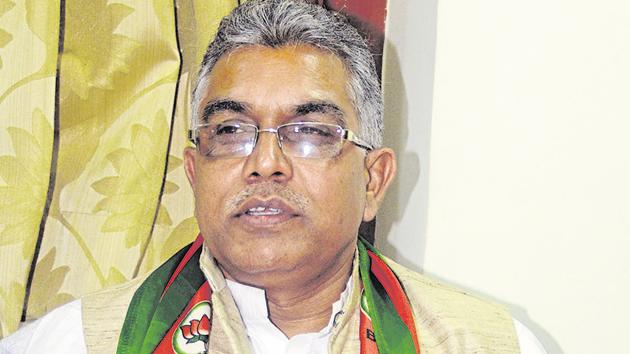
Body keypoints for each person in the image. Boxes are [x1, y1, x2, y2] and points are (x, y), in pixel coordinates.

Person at [1, 0, 547, 353]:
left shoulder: (488, 344)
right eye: (232, 130)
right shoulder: (73, 343)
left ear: (373, 182)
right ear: (194, 173)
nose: (265, 162)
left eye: (310, 131)